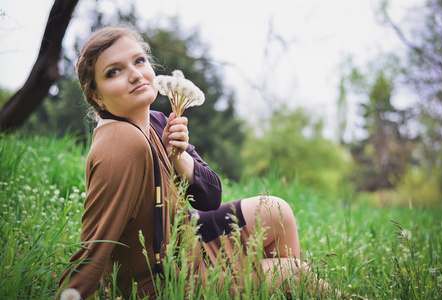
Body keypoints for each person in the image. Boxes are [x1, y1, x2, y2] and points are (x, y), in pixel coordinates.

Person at [56, 25, 328, 300]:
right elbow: (95, 244)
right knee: (293, 273)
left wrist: (180, 157)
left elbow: (210, 198)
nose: (135, 74)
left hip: (189, 243)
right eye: (114, 71)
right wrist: (72, 293)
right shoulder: (120, 144)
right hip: (165, 282)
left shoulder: (158, 121)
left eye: (139, 61)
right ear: (96, 95)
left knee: (274, 210)